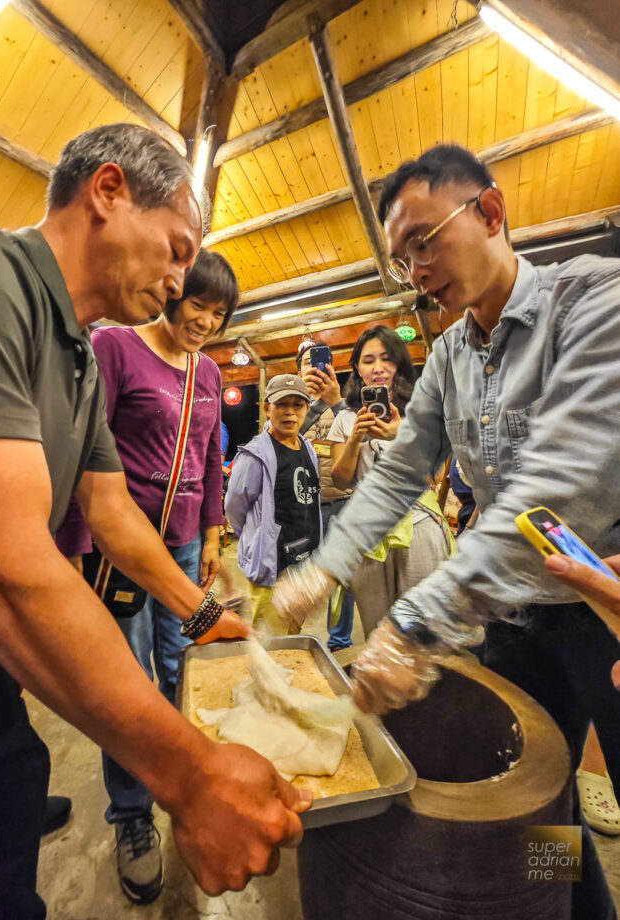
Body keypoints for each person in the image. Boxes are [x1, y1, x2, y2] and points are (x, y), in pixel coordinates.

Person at [0, 123, 310, 920]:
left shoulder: (76, 360)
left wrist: (203, 613)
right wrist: (192, 777)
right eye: (175, 249)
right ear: (107, 192)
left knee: (8, 817)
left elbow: (111, 510)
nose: (180, 281)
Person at [274, 143, 620, 919]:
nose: (415, 270)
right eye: (402, 259)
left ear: (491, 213)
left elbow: (553, 486)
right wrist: (327, 566)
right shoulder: (448, 358)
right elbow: (399, 473)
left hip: (610, 611)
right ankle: (578, 910)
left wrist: (413, 622)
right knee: (544, 803)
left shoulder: (596, 302)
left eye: (423, 241)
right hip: (517, 618)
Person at [57, 248, 239, 903]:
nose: (205, 323)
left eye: (219, 315)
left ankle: (185, 788)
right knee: (126, 685)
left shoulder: (211, 372)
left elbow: (210, 459)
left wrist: (214, 533)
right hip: (120, 551)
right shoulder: (115, 348)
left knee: (183, 669)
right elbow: (83, 448)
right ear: (173, 294)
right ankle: (132, 818)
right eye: (198, 306)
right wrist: (78, 552)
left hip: (186, 547)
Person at [327, 325, 454, 638]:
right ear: (356, 367)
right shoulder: (345, 418)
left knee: (424, 626)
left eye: (386, 359)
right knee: (378, 629)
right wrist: (355, 437)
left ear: (399, 363)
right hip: (368, 529)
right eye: (368, 360)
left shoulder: (419, 412)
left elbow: (434, 479)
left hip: (419, 522)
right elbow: (341, 481)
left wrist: (400, 436)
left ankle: (432, 688)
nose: (378, 367)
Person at [225, 374, 322, 635]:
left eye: (297, 404)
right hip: (271, 565)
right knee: (265, 639)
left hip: (302, 562)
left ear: (306, 408)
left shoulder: (308, 448)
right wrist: (254, 536)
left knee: (292, 633)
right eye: (281, 404)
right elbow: (234, 508)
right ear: (267, 408)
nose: (290, 412)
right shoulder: (254, 456)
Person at [296, 344, 355, 651]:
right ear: (298, 371)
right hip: (302, 507)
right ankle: (291, 638)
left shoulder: (345, 406)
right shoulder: (291, 406)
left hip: (340, 502)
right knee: (295, 571)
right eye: (308, 363)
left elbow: (361, 437)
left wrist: (338, 402)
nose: (315, 368)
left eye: (321, 362)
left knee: (341, 575)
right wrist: (301, 402)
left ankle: (340, 641)